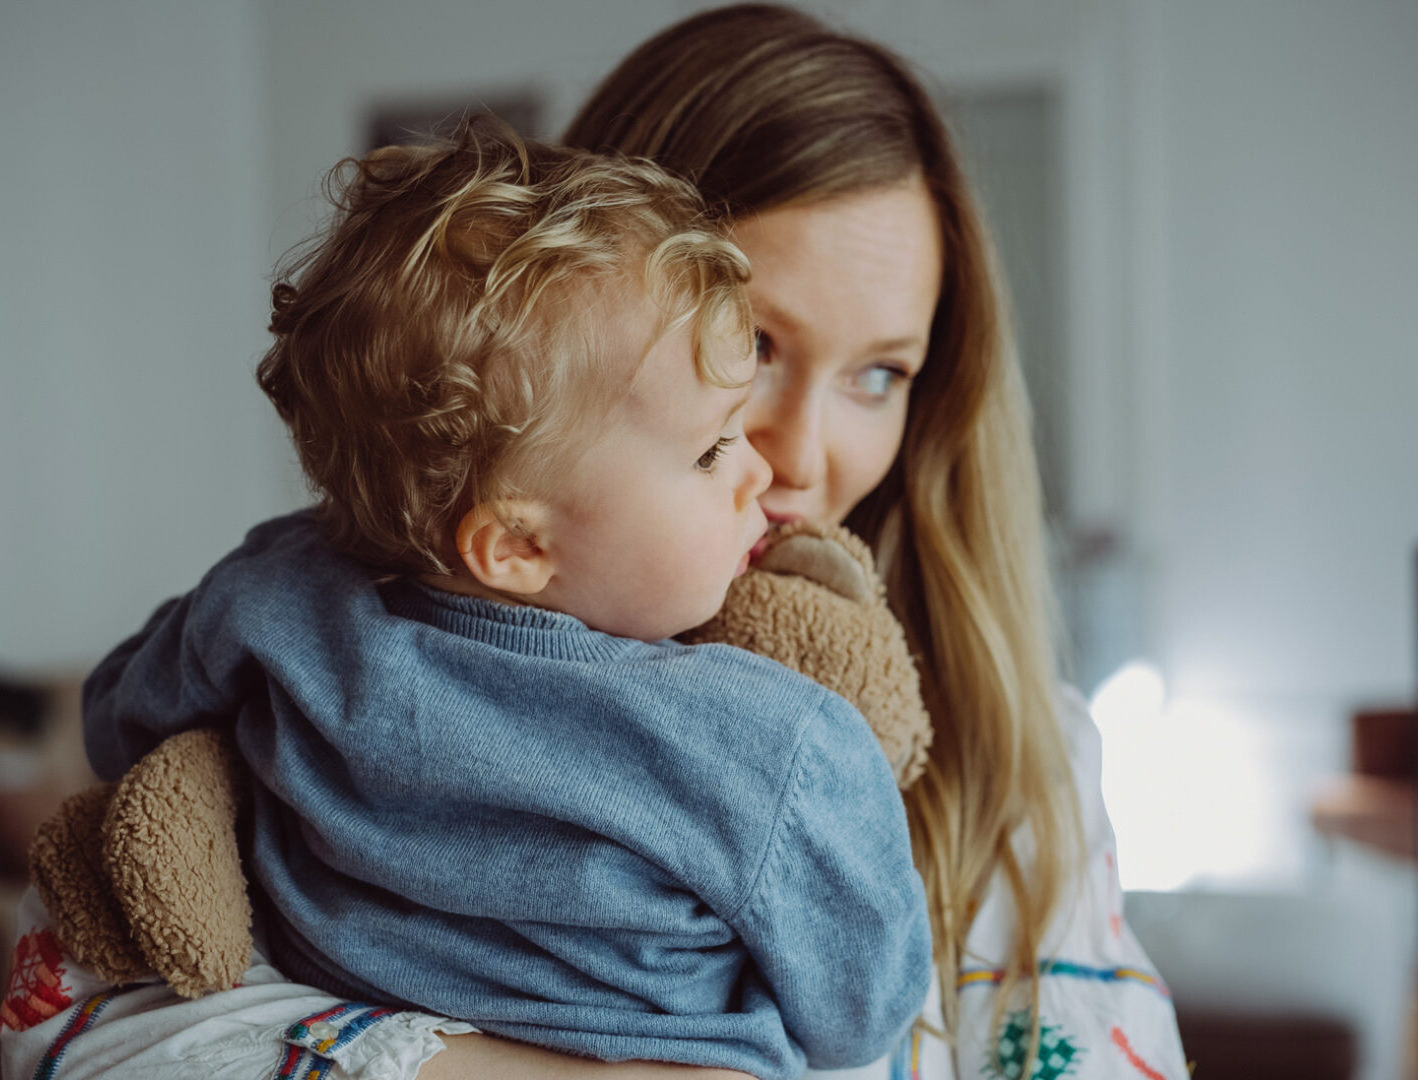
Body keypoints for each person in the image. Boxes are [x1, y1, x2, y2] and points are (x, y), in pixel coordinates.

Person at [0, 5, 1187, 1079]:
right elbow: (75, 1030)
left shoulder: (1025, 767)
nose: (802, 456)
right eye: (753, 348)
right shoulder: (303, 624)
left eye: (882, 373)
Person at [65, 118, 932, 1080]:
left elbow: (118, 718)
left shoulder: (278, 595)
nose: (763, 472)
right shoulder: (773, 744)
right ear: (517, 542)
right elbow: (865, 1015)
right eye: (711, 448)